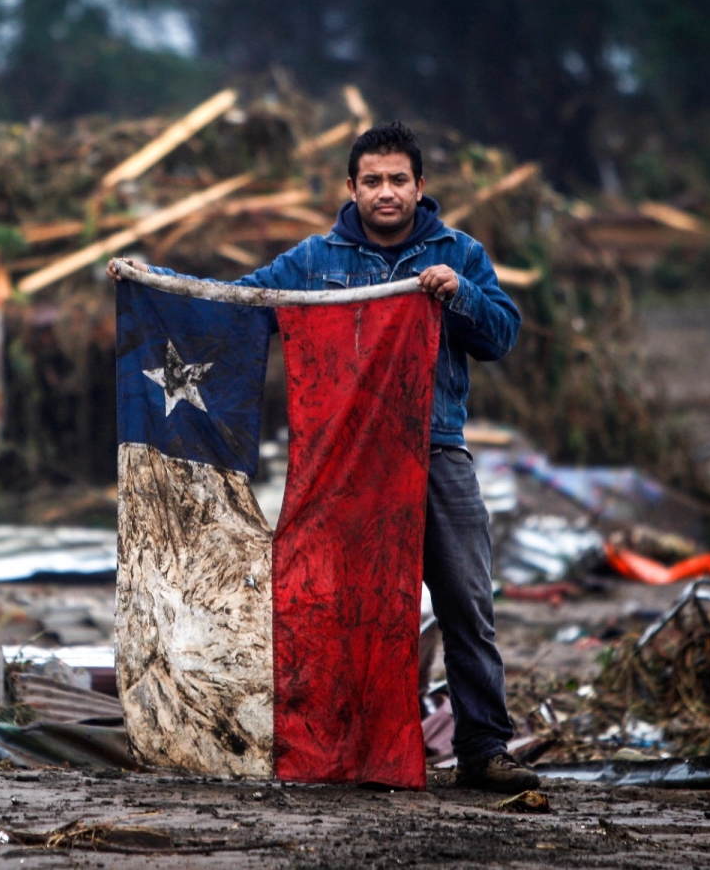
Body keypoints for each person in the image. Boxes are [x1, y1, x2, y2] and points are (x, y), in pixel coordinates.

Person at [108, 121, 538, 793]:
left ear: (420, 187)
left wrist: (460, 292)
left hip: (434, 451)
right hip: (341, 463)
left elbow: (501, 336)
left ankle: (484, 748)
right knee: (334, 604)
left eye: (399, 180)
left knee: (465, 603)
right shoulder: (313, 260)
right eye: (373, 181)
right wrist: (152, 282)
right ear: (351, 187)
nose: (386, 192)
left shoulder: (460, 251)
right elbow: (239, 306)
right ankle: (342, 747)